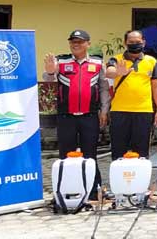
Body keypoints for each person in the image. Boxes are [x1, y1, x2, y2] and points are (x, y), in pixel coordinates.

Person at [44, 29, 110, 199]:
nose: (76, 44)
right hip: (66, 117)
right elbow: (49, 81)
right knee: (66, 154)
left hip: (89, 116)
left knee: (90, 154)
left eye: (80, 41)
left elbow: (103, 88)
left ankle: (94, 189)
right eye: (73, 41)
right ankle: (67, 189)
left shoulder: (97, 63)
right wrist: (51, 71)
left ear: (88, 44)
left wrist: (104, 110)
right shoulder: (61, 61)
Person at [105, 30, 157, 159]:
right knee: (118, 150)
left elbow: (156, 86)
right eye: (131, 42)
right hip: (120, 111)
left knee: (141, 152)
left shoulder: (152, 61)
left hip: (143, 111)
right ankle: (118, 177)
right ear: (125, 43)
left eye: (137, 42)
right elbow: (109, 72)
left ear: (144, 42)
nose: (134, 44)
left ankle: (140, 178)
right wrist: (119, 72)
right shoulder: (117, 59)